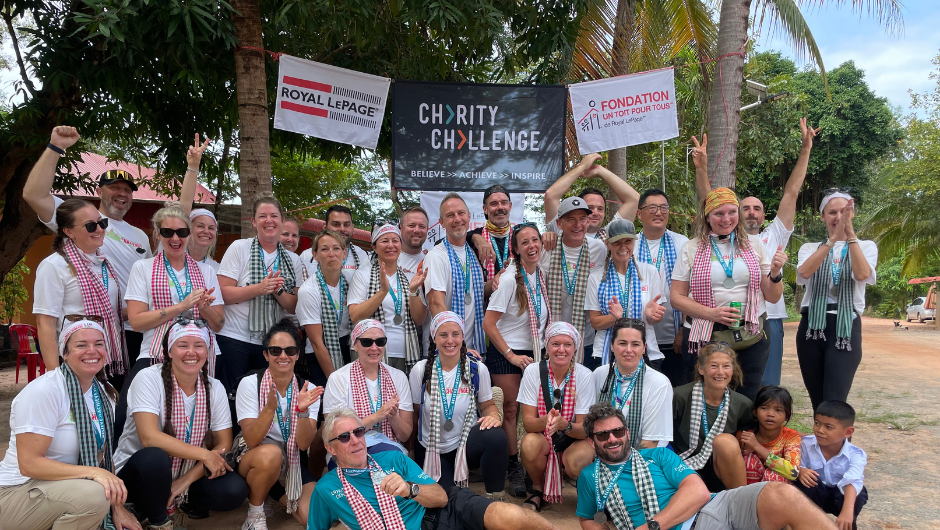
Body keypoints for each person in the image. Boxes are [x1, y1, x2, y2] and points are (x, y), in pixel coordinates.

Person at [576, 402, 839, 530]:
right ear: (592, 441)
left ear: (627, 431)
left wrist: (652, 527)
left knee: (779, 493)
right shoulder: (590, 477)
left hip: (714, 505)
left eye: (618, 431)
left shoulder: (655, 455)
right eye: (603, 435)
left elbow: (697, 492)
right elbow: (587, 518)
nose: (612, 439)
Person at [694, 121, 820, 387]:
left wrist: (806, 149)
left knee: (764, 387)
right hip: (725, 324)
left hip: (767, 320)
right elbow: (709, 203)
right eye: (745, 207)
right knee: (721, 385)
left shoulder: (773, 236)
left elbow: (791, 192)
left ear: (764, 216)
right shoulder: (719, 238)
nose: (750, 211)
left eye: (756, 208)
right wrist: (702, 168)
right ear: (735, 213)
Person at [309, 409, 560, 530]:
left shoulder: (392, 459)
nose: (355, 440)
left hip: (442, 510)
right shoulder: (326, 489)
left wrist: (409, 489)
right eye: (343, 437)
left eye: (359, 431)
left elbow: (439, 497)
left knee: (505, 515)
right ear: (330, 449)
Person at [0, 320, 140, 530]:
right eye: (81, 345)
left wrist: (118, 508)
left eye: (99, 344)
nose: (92, 350)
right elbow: (29, 464)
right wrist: (93, 473)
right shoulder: (45, 391)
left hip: (62, 487)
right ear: (64, 353)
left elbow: (103, 456)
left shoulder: (104, 392)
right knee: (94, 496)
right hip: (18, 491)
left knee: (98, 494)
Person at [112, 319, 247, 527]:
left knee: (233, 490)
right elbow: (149, 437)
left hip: (184, 473)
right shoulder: (148, 378)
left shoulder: (214, 387)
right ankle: (160, 521)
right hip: (139, 472)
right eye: (183, 345)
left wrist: (186, 480)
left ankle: (176, 501)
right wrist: (204, 454)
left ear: (207, 351)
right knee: (155, 457)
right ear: (169, 352)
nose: (191, 352)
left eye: (199, 346)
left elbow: (223, 445)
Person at [116, 202, 225, 443]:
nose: (175, 238)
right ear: (157, 234)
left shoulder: (206, 272)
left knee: (205, 420)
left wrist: (204, 309)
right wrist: (181, 307)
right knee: (125, 416)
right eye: (168, 232)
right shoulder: (143, 268)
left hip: (198, 353)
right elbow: (136, 321)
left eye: (182, 232)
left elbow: (218, 325)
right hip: (154, 351)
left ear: (189, 235)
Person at [670, 187, 786, 400]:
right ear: (707, 217)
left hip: (750, 335)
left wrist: (776, 274)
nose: (726, 219)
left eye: (732, 212)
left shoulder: (754, 244)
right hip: (704, 335)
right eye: (718, 213)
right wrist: (711, 314)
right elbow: (676, 297)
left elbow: (772, 296)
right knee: (704, 398)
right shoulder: (691, 248)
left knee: (746, 398)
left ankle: (739, 434)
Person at [235, 319, 324, 529]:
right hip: (255, 456)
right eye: (275, 350)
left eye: (290, 350)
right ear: (265, 354)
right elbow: (251, 439)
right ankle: (255, 513)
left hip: (292, 461)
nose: (283, 356)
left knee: (310, 518)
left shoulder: (308, 390)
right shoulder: (250, 384)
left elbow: (303, 445)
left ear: (297, 354)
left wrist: (302, 412)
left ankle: (270, 494)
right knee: (271, 454)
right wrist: (268, 409)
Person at [482, 223, 551, 497]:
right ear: (516, 249)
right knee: (510, 412)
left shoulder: (540, 274)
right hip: (506, 353)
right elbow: (489, 324)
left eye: (535, 240)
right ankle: (513, 468)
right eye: (525, 242)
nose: (532, 245)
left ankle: (535, 464)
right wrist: (510, 354)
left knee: (533, 413)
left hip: (534, 352)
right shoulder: (510, 279)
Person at [410, 312, 507, 499]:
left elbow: (487, 405)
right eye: (443, 335)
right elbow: (415, 414)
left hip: (465, 444)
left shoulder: (477, 368)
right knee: (447, 499)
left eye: (455, 334)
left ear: (463, 337)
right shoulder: (420, 370)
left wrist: (495, 415)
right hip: (433, 449)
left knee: (496, 436)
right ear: (434, 337)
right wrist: (413, 451)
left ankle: (495, 495)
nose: (450, 340)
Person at [796, 191, 877, 410]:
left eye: (844, 212)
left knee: (835, 400)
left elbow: (862, 274)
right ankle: (820, 445)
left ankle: (842, 445)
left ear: (852, 214)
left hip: (845, 326)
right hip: (812, 326)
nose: (838, 217)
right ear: (822, 216)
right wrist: (832, 241)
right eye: (832, 212)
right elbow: (804, 273)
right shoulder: (810, 248)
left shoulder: (866, 246)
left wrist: (850, 236)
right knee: (817, 401)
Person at [216, 195, 303, 392]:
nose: (269, 220)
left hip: (271, 344)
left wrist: (276, 290)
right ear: (254, 222)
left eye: (274, 216)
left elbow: (294, 306)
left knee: (263, 396)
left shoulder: (293, 260)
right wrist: (259, 288)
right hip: (234, 337)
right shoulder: (240, 248)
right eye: (262, 216)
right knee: (231, 395)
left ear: (281, 221)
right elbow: (223, 294)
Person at [32, 198, 127, 376]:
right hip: (75, 358)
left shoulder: (104, 263)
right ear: (69, 231)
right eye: (90, 226)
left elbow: (110, 311)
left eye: (102, 223)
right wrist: (55, 375)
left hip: (108, 356)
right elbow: (45, 323)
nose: (99, 229)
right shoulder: (54, 266)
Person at [518, 322, 596, 512]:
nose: (561, 350)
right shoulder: (533, 371)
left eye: (567, 345)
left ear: (575, 348)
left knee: (581, 458)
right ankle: (537, 489)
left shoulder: (584, 375)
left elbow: (585, 429)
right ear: (547, 347)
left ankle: (583, 488)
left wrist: (564, 425)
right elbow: (528, 424)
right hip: (543, 436)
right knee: (529, 444)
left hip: (572, 438)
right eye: (555, 344)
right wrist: (548, 420)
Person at [672, 343, 754, 492]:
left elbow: (756, 432)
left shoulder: (743, 404)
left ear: (733, 369)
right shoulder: (680, 396)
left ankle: (740, 502)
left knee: (725, 442)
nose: (720, 372)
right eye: (714, 366)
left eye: (726, 366)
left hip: (722, 469)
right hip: (685, 466)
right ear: (701, 369)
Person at [586, 219, 667, 369]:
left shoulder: (649, 272)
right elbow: (595, 322)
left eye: (628, 241)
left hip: (645, 349)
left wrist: (651, 315)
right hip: (607, 350)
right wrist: (613, 318)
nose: (623, 247)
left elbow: (655, 319)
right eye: (617, 242)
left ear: (634, 243)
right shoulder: (596, 277)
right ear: (608, 244)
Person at [349, 223, 428, 373]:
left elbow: (419, 320)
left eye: (395, 240)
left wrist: (413, 291)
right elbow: (355, 316)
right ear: (374, 247)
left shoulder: (410, 277)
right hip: (370, 351)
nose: (390, 245)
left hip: (405, 353)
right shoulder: (362, 275)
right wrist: (383, 292)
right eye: (384, 241)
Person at [587, 318, 672, 458]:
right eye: (622, 343)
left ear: (644, 347)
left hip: (647, 454)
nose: (628, 350)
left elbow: (650, 442)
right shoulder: (599, 374)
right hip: (605, 449)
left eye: (635, 344)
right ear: (612, 346)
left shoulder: (658, 382)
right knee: (576, 462)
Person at [322, 319, 414, 447]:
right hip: (349, 450)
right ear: (355, 345)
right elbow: (335, 433)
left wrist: (393, 417)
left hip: (390, 449)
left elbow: (404, 435)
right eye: (367, 342)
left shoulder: (399, 377)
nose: (374, 347)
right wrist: (378, 416)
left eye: (380, 342)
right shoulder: (338, 378)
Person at [539, 196, 607, 368]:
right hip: (550, 340)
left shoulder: (599, 249)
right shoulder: (546, 247)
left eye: (582, 219)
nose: (578, 225)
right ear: (559, 223)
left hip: (586, 341)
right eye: (571, 220)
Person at [633, 188, 690, 386]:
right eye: (652, 207)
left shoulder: (682, 243)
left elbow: (690, 289)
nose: (659, 212)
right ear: (639, 213)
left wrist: (684, 330)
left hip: (675, 338)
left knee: (677, 394)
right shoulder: (630, 245)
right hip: (640, 341)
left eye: (663, 207)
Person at [425, 193, 489, 354]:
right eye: (450, 215)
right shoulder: (436, 256)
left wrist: (498, 280)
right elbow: (436, 303)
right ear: (442, 223)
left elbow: (476, 292)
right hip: (448, 350)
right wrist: (456, 345)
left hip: (474, 349)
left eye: (461, 213)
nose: (457, 219)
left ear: (468, 216)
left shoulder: (472, 253)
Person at [798, 401, 868, 530]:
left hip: (840, 497)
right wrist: (801, 470)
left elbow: (852, 480)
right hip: (816, 493)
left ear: (848, 432)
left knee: (858, 493)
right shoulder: (805, 444)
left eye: (828, 427)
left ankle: (847, 524)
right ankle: (807, 523)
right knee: (804, 481)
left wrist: (847, 512)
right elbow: (795, 463)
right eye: (817, 423)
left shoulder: (856, 454)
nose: (819, 430)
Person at [296, 230, 353, 386]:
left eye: (336, 248)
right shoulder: (308, 290)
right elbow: (316, 342)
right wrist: (334, 381)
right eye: (324, 249)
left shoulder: (352, 280)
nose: (331, 254)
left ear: (344, 252)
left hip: (349, 345)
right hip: (320, 352)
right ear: (315, 255)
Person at [544, 153, 640, 241]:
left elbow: (633, 199)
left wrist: (599, 170)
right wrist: (582, 167)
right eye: (590, 208)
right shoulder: (562, 230)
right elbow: (551, 195)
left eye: (600, 209)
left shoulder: (610, 236)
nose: (595, 213)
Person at [740, 385, 801, 485]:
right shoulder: (746, 436)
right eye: (764, 408)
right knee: (748, 460)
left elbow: (793, 472)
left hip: (778, 493)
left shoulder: (791, 437)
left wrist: (756, 446)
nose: (770, 414)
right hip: (750, 490)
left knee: (772, 475)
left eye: (778, 410)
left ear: (787, 415)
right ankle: (748, 499)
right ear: (755, 412)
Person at [300, 204, 369, 281]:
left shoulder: (364, 256)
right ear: (325, 227)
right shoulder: (307, 256)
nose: (342, 229)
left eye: (346, 225)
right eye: (336, 224)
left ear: (352, 228)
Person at [467, 184, 515, 279]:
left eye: (504, 203)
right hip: (485, 293)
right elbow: (442, 243)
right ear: (485, 209)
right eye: (494, 204)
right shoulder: (475, 236)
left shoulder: (519, 236)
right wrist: (475, 238)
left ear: (510, 206)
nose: (500, 207)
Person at [399, 206, 431, 275]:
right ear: (401, 228)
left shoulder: (431, 262)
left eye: (422, 226)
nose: (417, 230)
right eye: (411, 225)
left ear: (427, 230)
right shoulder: (386, 260)